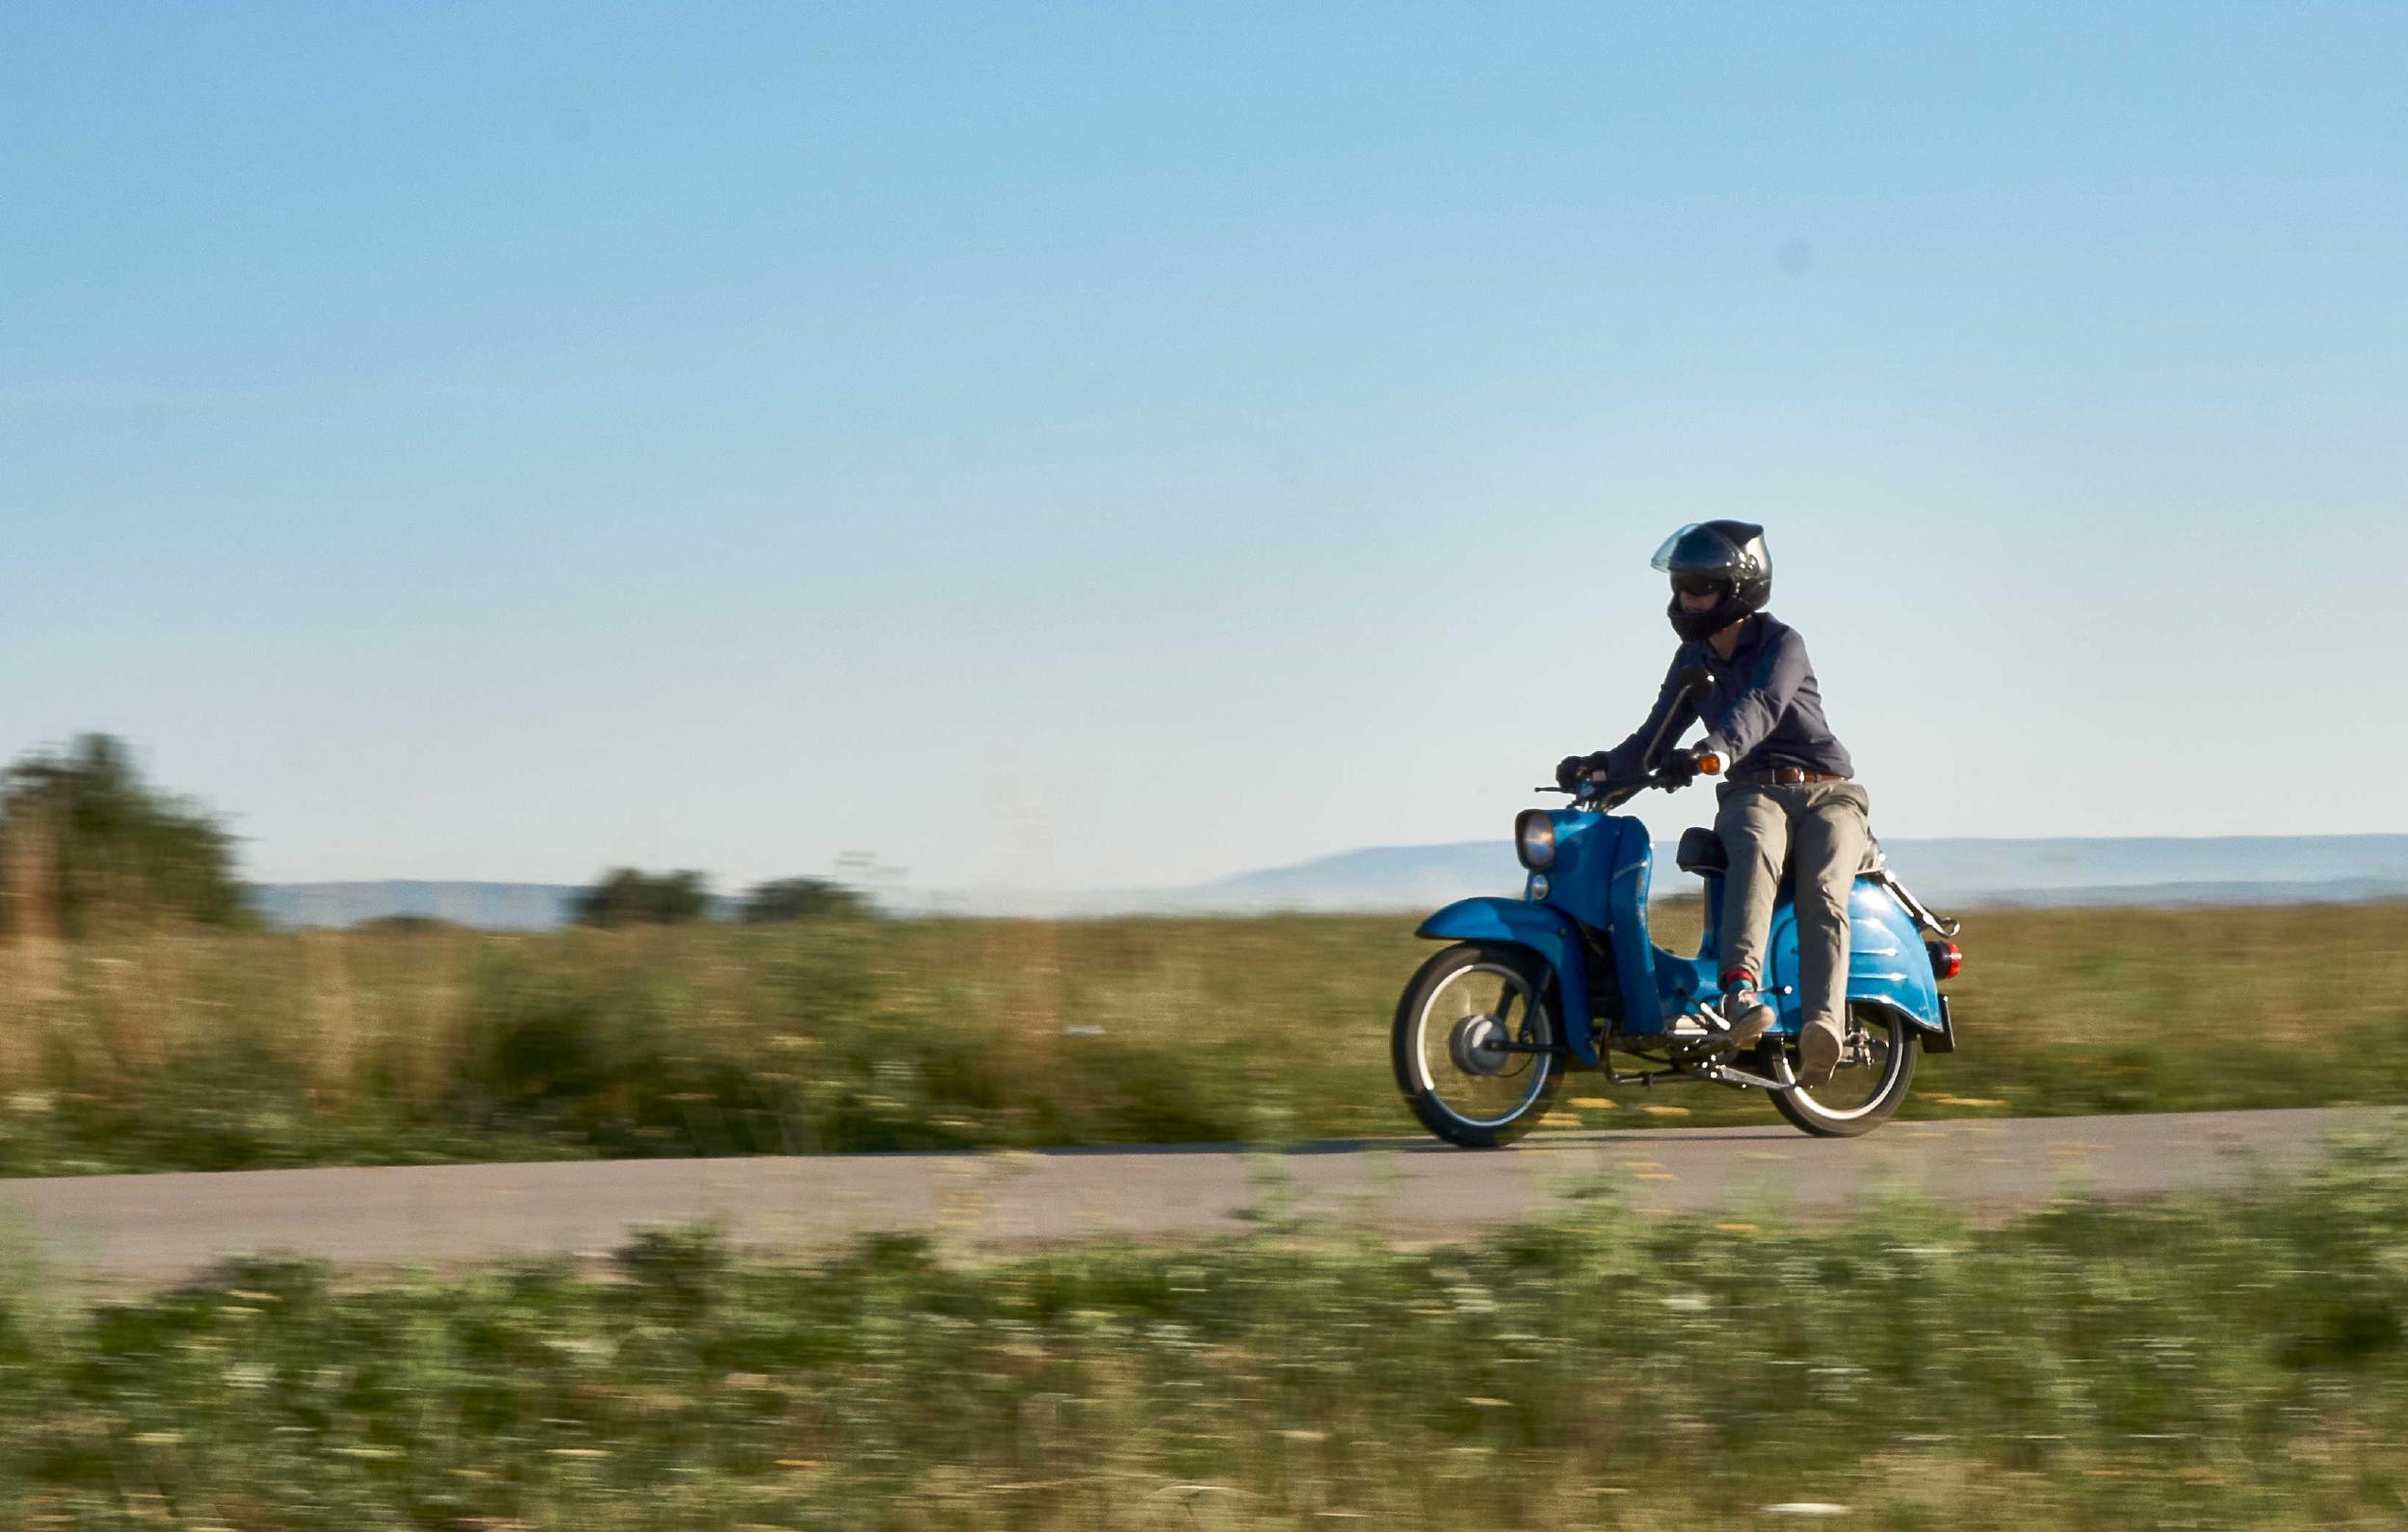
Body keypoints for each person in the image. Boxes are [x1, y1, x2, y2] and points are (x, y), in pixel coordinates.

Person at [1553, 522, 1870, 1087]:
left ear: (1737, 590)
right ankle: (1741, 995)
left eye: (1699, 587)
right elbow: (1652, 736)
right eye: (1680, 587)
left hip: (1827, 792)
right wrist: (1599, 768)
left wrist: (1713, 751)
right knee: (1752, 847)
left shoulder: (1782, 643)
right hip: (1753, 792)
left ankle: (1825, 1025)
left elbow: (1761, 705)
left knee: (1824, 883)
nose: (1685, 600)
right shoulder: (1691, 659)